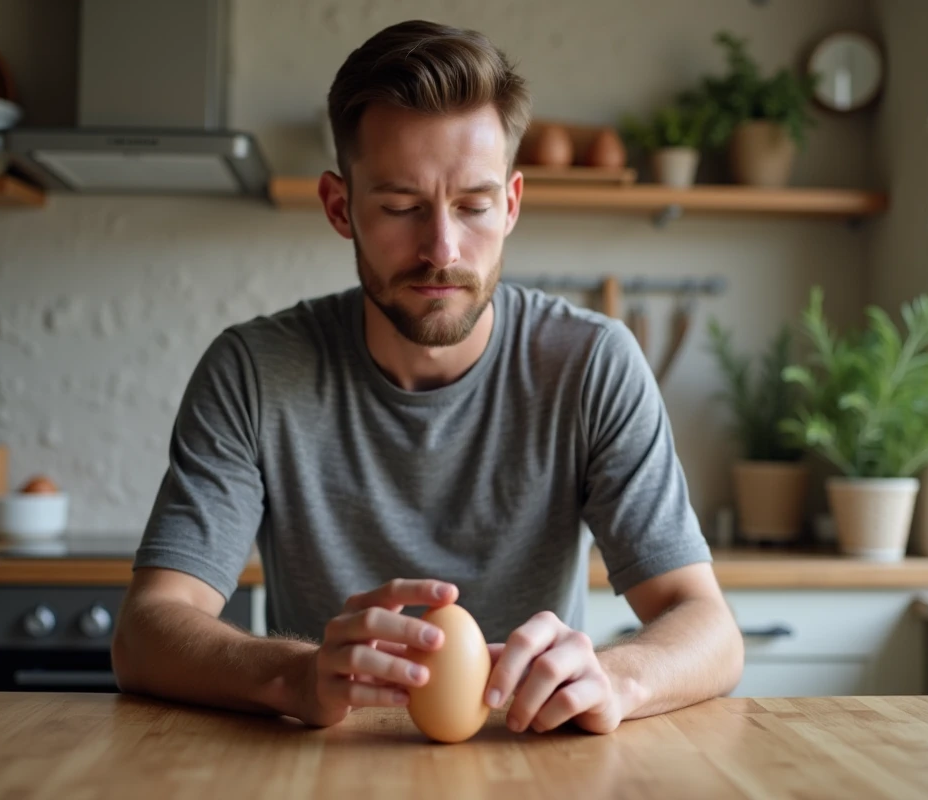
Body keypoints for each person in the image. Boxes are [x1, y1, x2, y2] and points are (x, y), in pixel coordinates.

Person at [112, 19, 743, 736]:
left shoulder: (592, 364)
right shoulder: (254, 372)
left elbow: (708, 626)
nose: (441, 249)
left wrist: (616, 679)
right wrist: (294, 674)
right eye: (402, 207)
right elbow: (146, 631)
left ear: (510, 206)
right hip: (320, 769)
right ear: (339, 207)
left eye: (472, 206)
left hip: (536, 763)